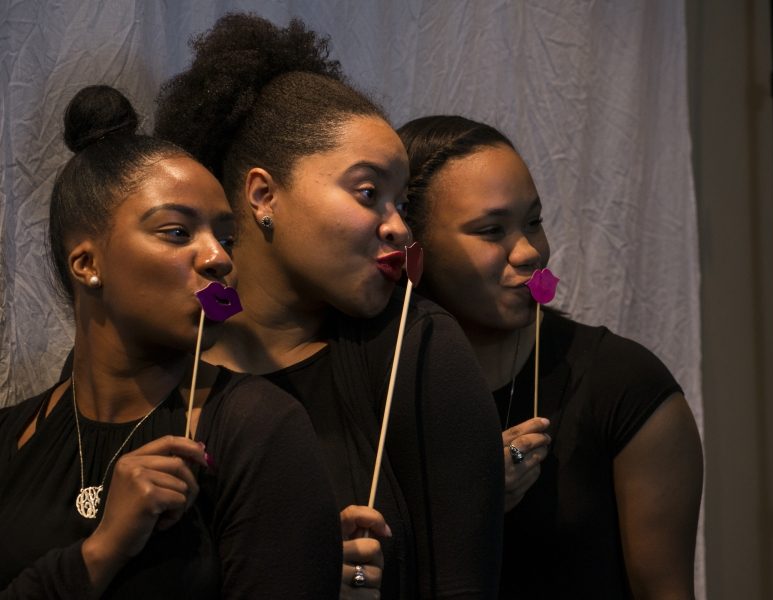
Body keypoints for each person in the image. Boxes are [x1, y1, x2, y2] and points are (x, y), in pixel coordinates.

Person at [155, 14, 504, 599]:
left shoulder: (417, 349)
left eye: (401, 203)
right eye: (369, 194)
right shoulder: (163, 354)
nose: (397, 228)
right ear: (264, 195)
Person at [0, 85, 341, 598]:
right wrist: (103, 549)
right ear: (87, 264)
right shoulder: (10, 437)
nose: (220, 260)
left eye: (225, 238)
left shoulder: (260, 428)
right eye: (178, 232)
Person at [398, 115, 704, 599]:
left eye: (534, 221)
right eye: (492, 230)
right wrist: (467, 507)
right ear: (414, 250)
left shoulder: (627, 388)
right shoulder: (382, 383)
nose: (529, 252)